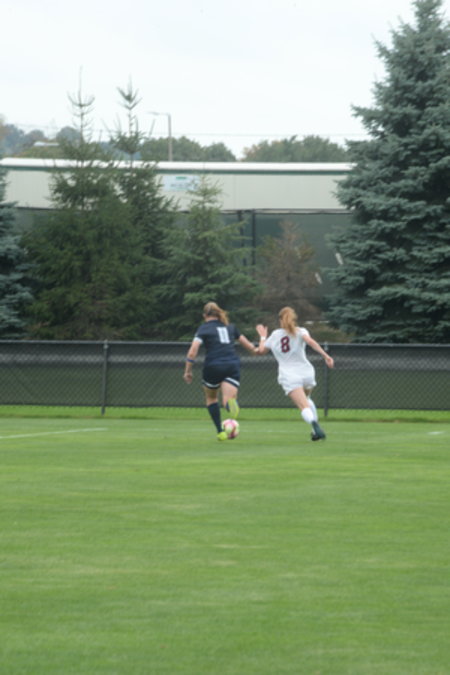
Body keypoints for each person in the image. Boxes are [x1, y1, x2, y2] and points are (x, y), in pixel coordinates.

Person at [255, 306, 334, 441]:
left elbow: (261, 351)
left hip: (290, 375)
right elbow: (310, 341)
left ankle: (314, 424)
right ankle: (315, 432)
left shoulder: (275, 335)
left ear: (281, 320)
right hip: (307, 372)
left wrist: (262, 337)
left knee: (303, 406)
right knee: (307, 400)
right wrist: (326, 356)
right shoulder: (301, 331)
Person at [183, 301, 256, 441]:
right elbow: (250, 347)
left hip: (213, 366)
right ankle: (230, 405)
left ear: (204, 315)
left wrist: (188, 371)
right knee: (227, 399)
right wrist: (260, 346)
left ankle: (220, 431)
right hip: (232, 365)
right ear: (218, 314)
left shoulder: (203, 329)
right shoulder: (231, 327)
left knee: (211, 398)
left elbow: (192, 351)